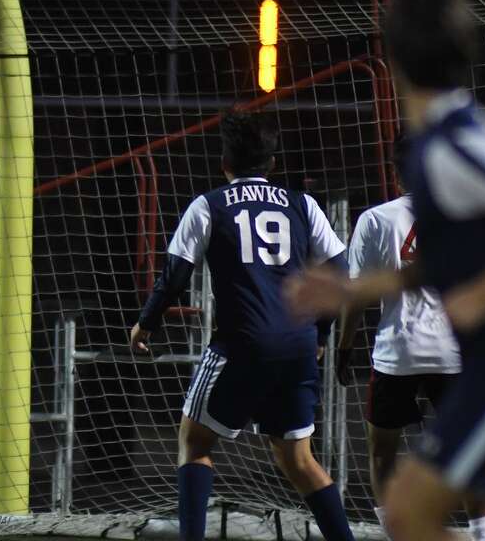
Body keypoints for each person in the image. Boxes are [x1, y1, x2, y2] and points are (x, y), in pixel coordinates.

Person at [287, 0, 485, 541]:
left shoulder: (449, 144)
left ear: (393, 62)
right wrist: (361, 288)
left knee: (408, 512)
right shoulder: (451, 132)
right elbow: (449, 257)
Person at [129, 112, 355, 541]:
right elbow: (341, 275)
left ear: (224, 162)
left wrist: (146, 324)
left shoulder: (208, 204)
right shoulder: (302, 204)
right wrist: (321, 335)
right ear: (272, 164)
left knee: (194, 443)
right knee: (299, 460)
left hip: (242, 346)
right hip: (297, 346)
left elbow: (175, 275)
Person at [336, 138, 485, 540]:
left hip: (397, 354)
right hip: (453, 355)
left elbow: (356, 296)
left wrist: (344, 347)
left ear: (395, 174)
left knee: (382, 454)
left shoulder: (375, 219)